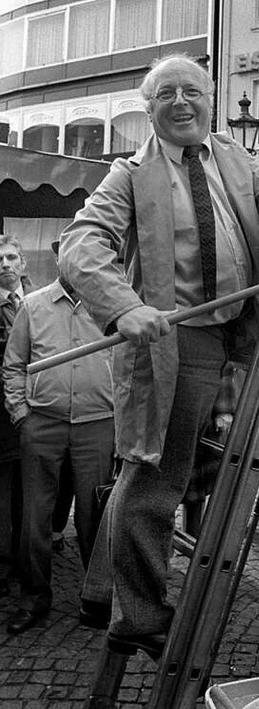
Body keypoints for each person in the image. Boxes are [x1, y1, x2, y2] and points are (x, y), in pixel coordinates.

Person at [58, 54, 259, 660]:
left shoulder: (236, 157)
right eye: (166, 95)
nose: (182, 103)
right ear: (148, 110)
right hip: (180, 340)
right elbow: (79, 243)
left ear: (210, 98)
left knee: (178, 470)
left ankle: (101, 591)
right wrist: (121, 306)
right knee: (156, 476)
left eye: (192, 91)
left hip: (243, 331)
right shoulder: (128, 175)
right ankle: (140, 615)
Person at [3, 246, 115, 633]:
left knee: (95, 515)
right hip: (42, 424)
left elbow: (134, 360)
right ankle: (33, 598)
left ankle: (99, 598)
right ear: (58, 262)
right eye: (69, 256)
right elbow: (13, 364)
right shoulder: (32, 306)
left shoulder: (111, 304)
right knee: (35, 516)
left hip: (98, 425)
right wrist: (21, 415)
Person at [0, 236, 33, 597]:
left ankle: (28, 559)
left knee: (32, 491)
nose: (6, 264)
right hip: (2, 417)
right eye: (0, 259)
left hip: (37, 411)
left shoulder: (37, 302)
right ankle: (4, 563)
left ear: (23, 264)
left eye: (12, 257)